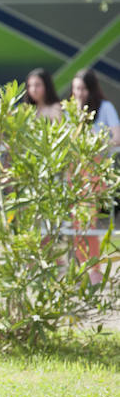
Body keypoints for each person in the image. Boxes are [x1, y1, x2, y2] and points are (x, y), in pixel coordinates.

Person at [71, 68, 120, 284]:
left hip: (97, 169)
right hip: (76, 170)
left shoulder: (105, 108)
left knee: (88, 222)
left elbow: (117, 138)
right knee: (77, 224)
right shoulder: (72, 111)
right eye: (75, 89)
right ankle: (85, 268)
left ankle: (94, 270)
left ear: (91, 89)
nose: (78, 93)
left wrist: (94, 146)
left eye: (82, 89)